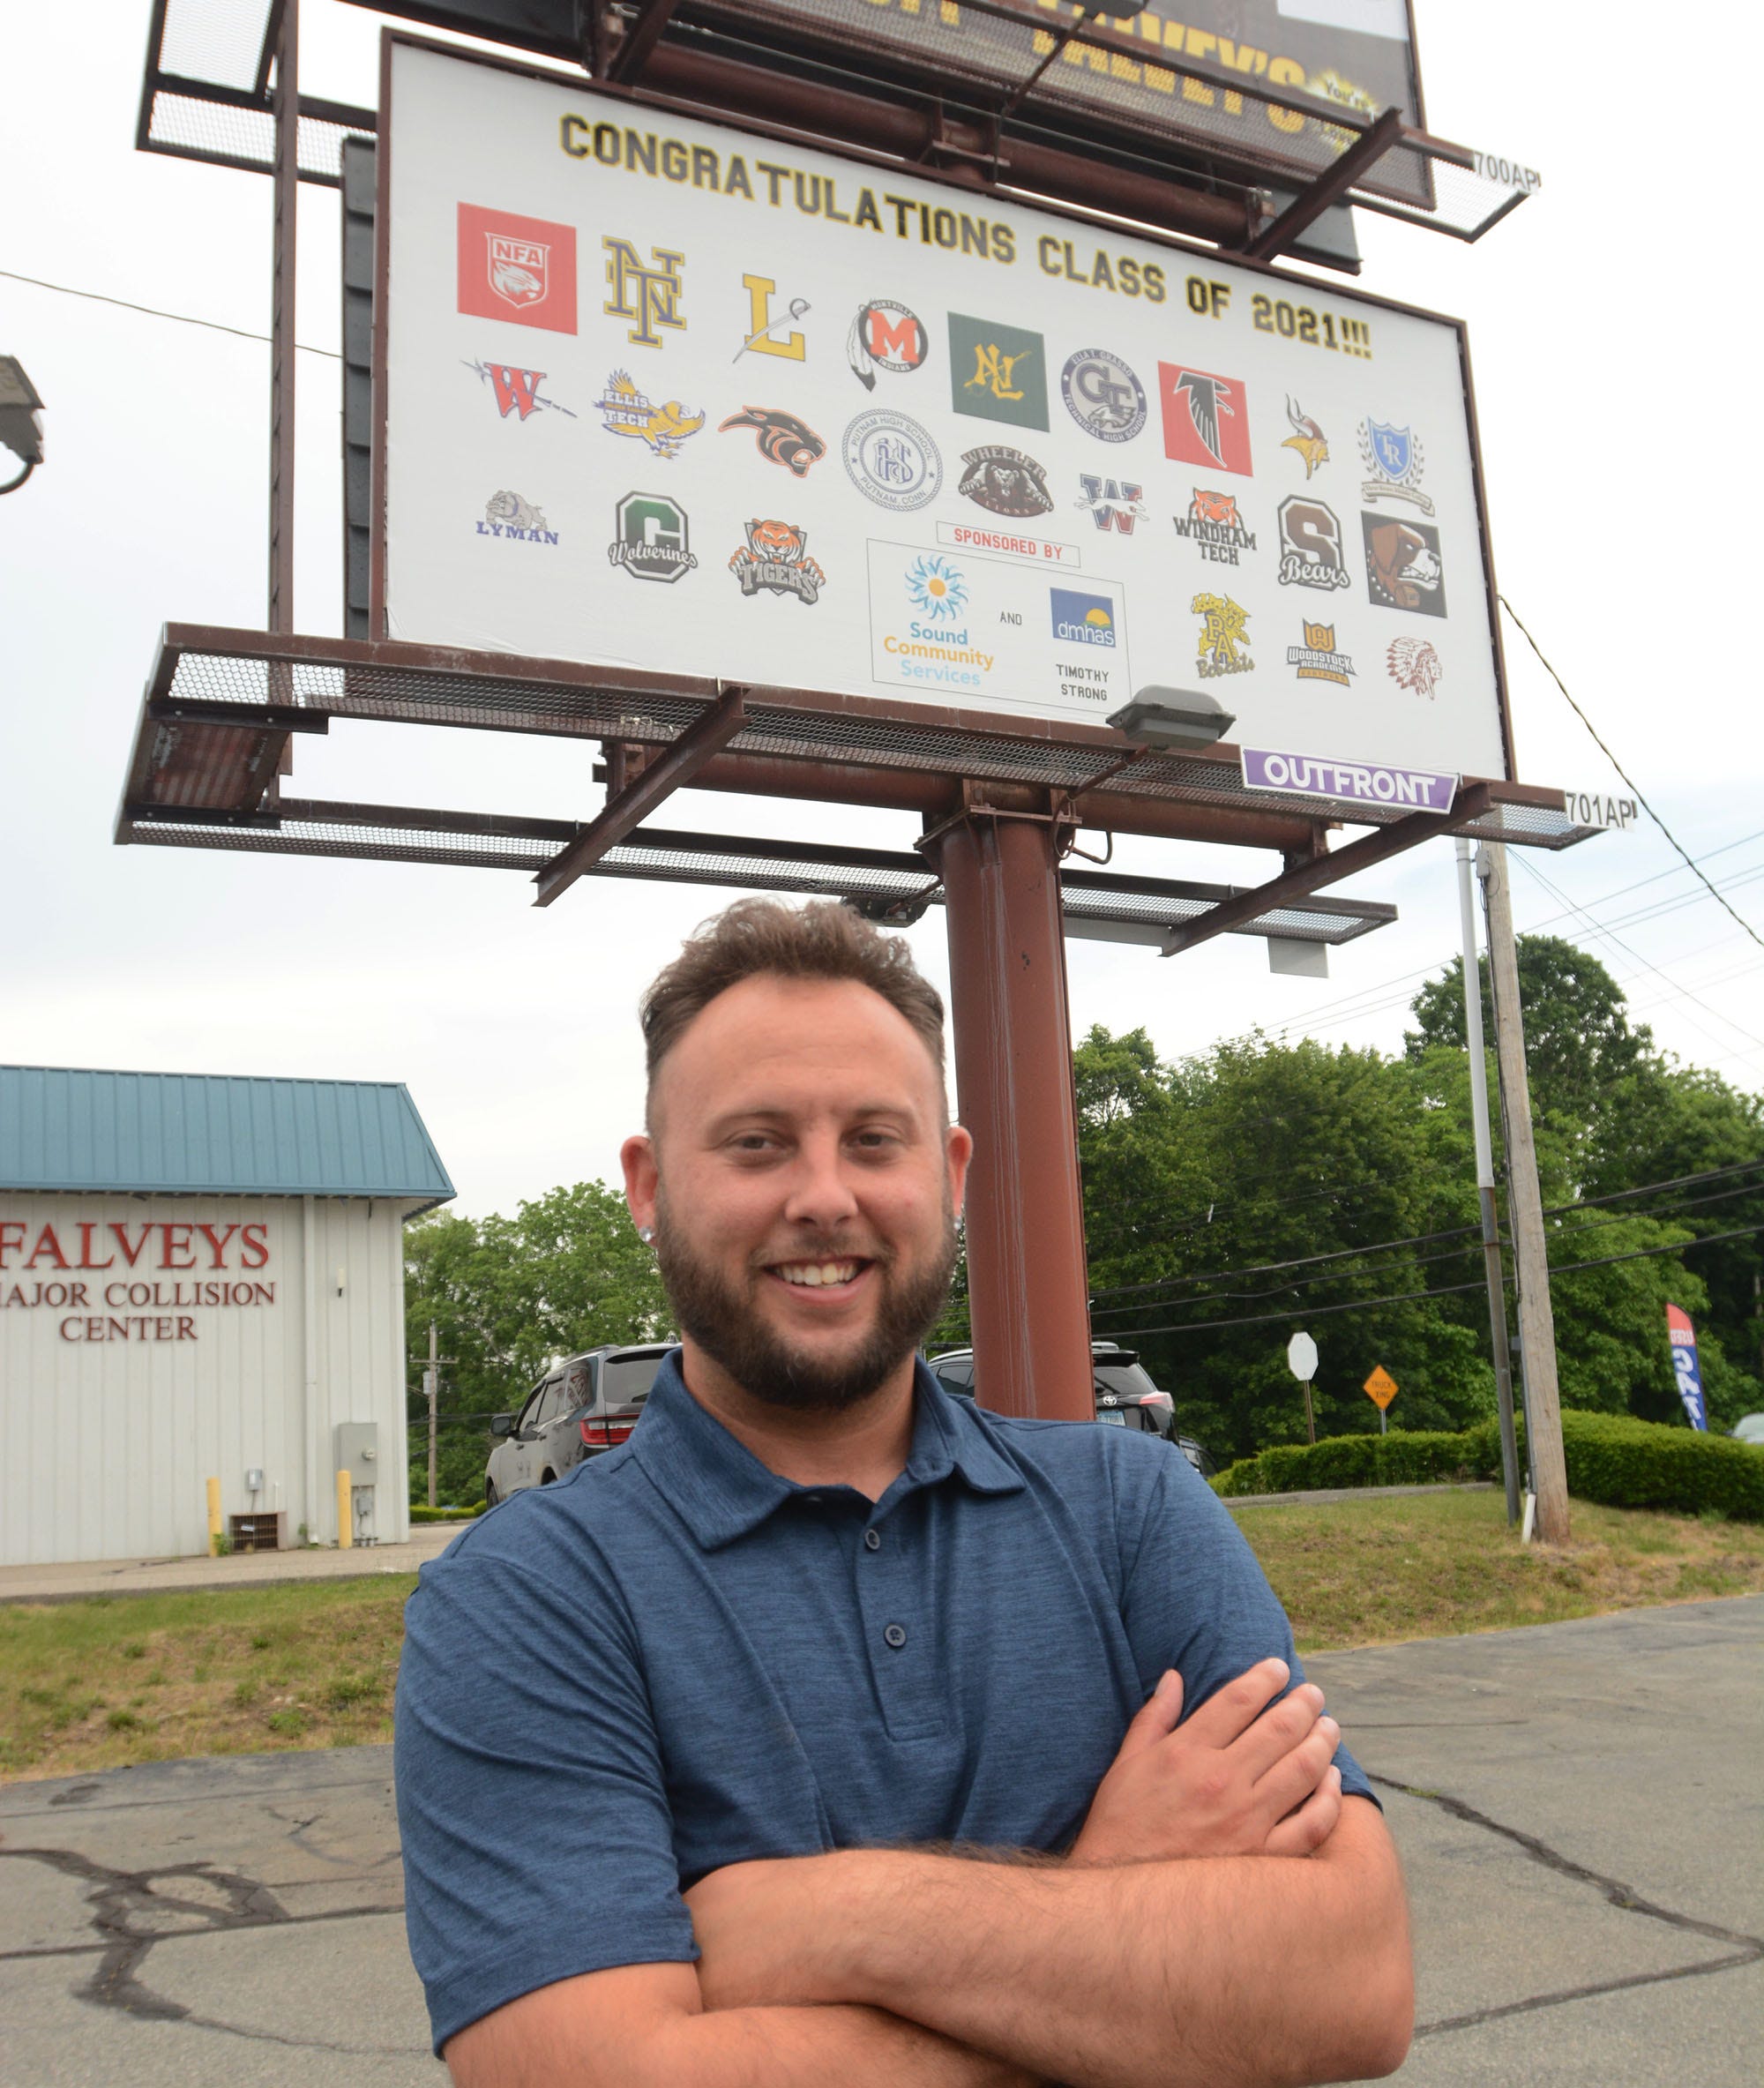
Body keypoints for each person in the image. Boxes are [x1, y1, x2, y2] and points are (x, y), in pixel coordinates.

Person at [395, 899, 1413, 2088]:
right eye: (758, 1142)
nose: (824, 1196)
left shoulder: (1135, 1510)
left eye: (875, 1140)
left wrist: (813, 1923)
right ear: (650, 1185)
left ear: (951, 1172)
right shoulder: (523, 1598)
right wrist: (1108, 1905)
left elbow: (1350, 1984)